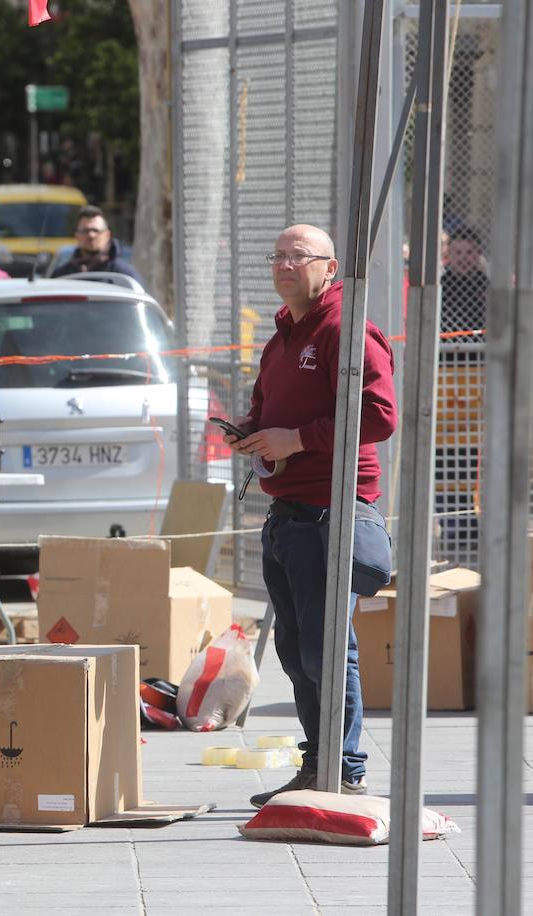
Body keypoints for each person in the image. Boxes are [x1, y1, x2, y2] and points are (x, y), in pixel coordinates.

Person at [227, 224, 397, 809]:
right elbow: (263, 406)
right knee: (297, 650)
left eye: (297, 256)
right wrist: (251, 432)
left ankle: (345, 769)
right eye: (276, 255)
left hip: (333, 512)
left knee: (328, 648)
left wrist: (294, 439)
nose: (283, 264)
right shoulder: (282, 334)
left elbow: (379, 417)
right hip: (288, 515)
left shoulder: (347, 329)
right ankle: (319, 762)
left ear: (329, 267)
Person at [51, 206, 144, 285]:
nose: (91, 235)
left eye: (96, 230)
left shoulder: (125, 276)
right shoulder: (62, 276)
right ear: (77, 235)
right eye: (85, 231)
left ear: (107, 235)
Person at [439, 225, 488, 340]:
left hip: (480, 349)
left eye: (469, 252)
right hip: (446, 349)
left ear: (478, 254)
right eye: (458, 252)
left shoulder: (485, 285)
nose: (463, 258)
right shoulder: (441, 285)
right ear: (449, 254)